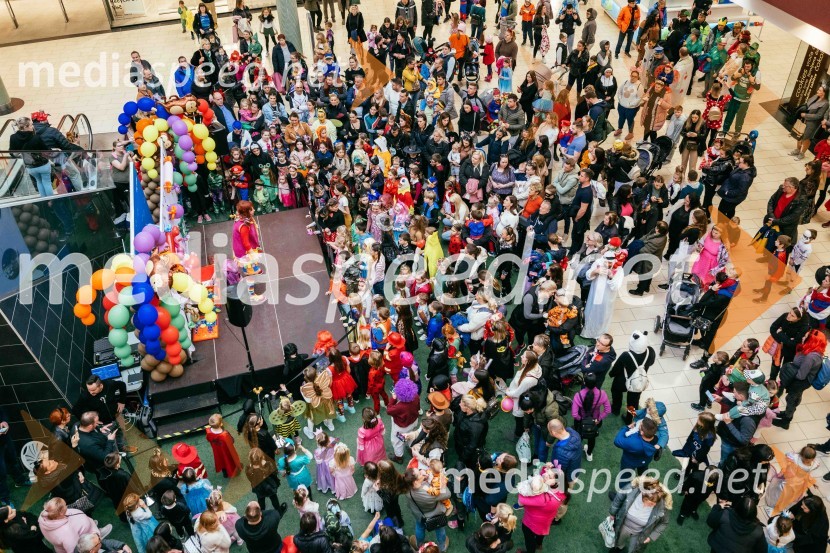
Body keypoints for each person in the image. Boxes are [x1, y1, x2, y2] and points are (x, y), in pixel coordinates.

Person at [774, 329, 827, 429]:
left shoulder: (811, 357)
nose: (803, 337)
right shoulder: (814, 351)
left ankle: (786, 421)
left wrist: (790, 372)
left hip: (800, 382)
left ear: (812, 341)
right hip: (804, 381)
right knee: (795, 398)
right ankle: (786, 413)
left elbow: (801, 375)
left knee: (791, 399)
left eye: (806, 337)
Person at [608, 477, 671, 552]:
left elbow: (664, 522)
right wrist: (612, 513)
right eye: (649, 502)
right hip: (623, 525)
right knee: (618, 542)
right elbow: (619, 498)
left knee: (635, 550)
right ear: (643, 495)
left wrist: (651, 536)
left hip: (641, 533)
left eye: (654, 503)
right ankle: (618, 548)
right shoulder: (632, 489)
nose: (652, 505)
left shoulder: (662, 507)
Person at [38, 498, 111, 553]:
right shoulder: (67, 535)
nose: (66, 506)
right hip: (86, 538)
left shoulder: (45, 514)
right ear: (60, 513)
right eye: (65, 505)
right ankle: (97, 536)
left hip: (81, 531)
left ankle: (92, 528)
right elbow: (76, 549)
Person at [516, 472, 564, 553]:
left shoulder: (542, 498)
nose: (545, 474)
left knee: (529, 539)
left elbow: (521, 500)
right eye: (548, 472)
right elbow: (544, 474)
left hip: (531, 522)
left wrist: (528, 486)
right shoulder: (559, 491)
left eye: (549, 476)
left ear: (555, 482)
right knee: (540, 534)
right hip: (545, 521)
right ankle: (539, 544)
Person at [571, 373, 610, 462]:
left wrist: (581, 420)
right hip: (595, 420)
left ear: (584, 382)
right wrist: (598, 419)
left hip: (580, 421)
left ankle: (576, 451)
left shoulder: (578, 395)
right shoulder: (602, 394)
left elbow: (574, 414)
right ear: (596, 383)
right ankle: (589, 454)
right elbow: (607, 410)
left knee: (578, 436)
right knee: (592, 437)